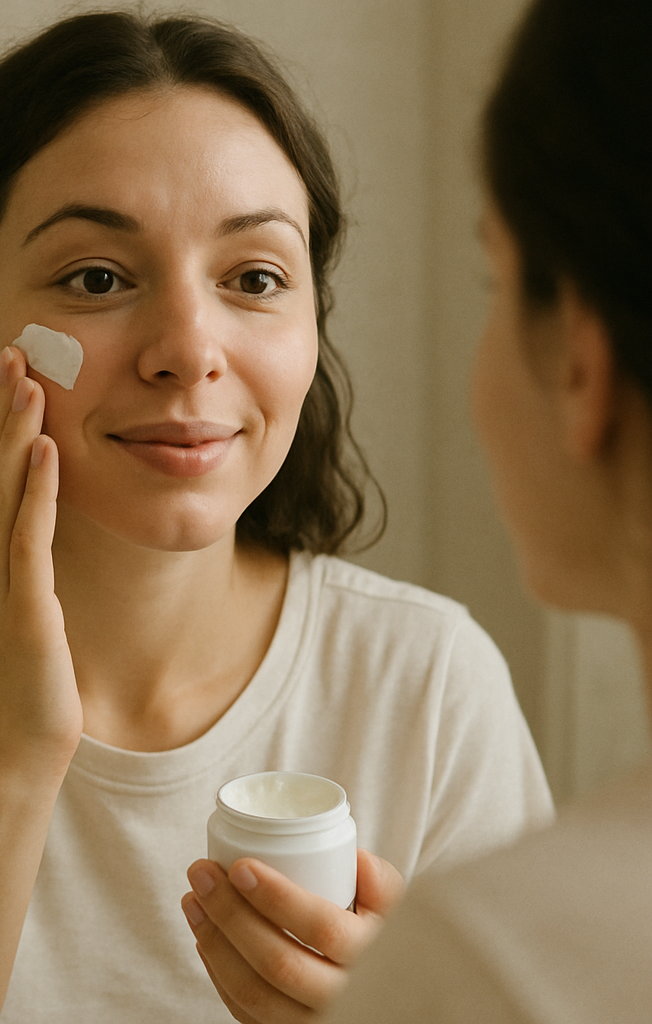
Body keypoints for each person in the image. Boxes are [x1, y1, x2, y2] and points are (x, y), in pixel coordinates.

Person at [0, 11, 552, 1024]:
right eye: (96, 278)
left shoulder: (431, 685)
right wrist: (7, 750)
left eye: (254, 278)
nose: (186, 347)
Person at [253, 0, 652, 1021]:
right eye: (99, 277)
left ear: (580, 361)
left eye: (494, 274)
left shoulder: (494, 957)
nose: (184, 351)